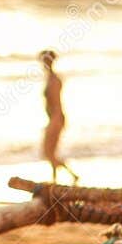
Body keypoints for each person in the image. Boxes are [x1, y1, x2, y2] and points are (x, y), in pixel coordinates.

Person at [39, 50, 77, 183]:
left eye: (44, 61)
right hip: (53, 118)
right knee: (49, 152)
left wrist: (54, 121)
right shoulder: (50, 78)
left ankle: (66, 176)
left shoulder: (54, 80)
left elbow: (56, 103)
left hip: (56, 117)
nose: (42, 64)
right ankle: (58, 178)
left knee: (48, 152)